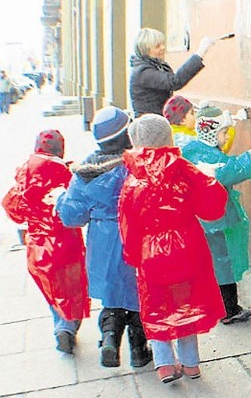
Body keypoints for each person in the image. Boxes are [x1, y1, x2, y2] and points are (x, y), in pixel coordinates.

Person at [118, 114, 229, 383]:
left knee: (156, 304)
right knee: (185, 303)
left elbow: (127, 220)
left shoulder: (133, 178)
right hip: (187, 245)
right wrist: (211, 179)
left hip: (150, 250)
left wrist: (134, 255)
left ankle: (165, 363)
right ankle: (191, 363)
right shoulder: (184, 169)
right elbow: (212, 207)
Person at [55, 106, 152, 369]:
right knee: (138, 297)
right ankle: (139, 350)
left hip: (102, 242)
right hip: (137, 239)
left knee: (112, 295)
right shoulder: (136, 166)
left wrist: (63, 198)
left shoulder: (85, 171)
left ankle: (109, 338)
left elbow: (71, 216)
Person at [182, 103, 251, 324]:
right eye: (223, 132)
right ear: (209, 131)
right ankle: (228, 308)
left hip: (204, 218)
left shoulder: (193, 149)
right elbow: (225, 173)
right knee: (222, 262)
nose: (227, 137)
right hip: (214, 220)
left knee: (213, 261)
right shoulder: (204, 155)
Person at [2, 129, 90, 353]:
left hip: (37, 246)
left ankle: (61, 325)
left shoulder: (24, 173)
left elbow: (12, 208)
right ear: (61, 149)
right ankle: (68, 327)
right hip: (65, 242)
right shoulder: (65, 173)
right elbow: (77, 207)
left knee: (52, 291)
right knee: (72, 289)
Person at [129, 27, 217, 116]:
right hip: (150, 124)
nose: (163, 47)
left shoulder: (154, 65)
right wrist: (200, 53)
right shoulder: (142, 72)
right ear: (145, 50)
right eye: (157, 46)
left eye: (162, 44)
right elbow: (174, 82)